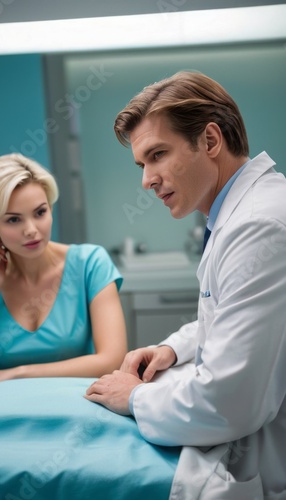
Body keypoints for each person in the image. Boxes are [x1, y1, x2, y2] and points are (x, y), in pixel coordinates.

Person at [85, 71, 286, 499]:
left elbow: (228, 404)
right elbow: (231, 314)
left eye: (158, 154)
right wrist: (172, 349)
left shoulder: (259, 226)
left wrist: (136, 397)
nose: (147, 179)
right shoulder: (242, 214)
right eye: (142, 164)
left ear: (210, 141)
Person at [0, 153, 127, 391]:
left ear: (50, 209)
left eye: (40, 213)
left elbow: (112, 360)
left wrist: (19, 374)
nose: (31, 230)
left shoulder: (90, 264)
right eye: (13, 220)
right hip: (4, 413)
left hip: (80, 408)